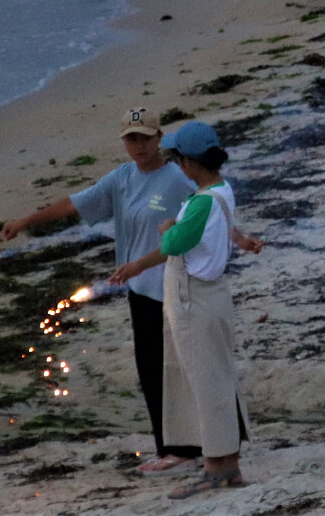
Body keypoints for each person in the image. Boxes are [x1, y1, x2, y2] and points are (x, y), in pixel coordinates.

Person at [0, 107, 202, 474]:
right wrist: (25, 221)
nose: (138, 145)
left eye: (144, 137)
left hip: (172, 285)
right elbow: (76, 203)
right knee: (151, 369)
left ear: (159, 138)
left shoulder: (177, 180)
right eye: (131, 138)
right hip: (139, 287)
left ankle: (183, 449)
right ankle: (173, 448)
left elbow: (203, 221)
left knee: (174, 367)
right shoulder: (122, 178)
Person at [110, 121, 258, 498]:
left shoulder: (201, 201)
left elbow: (177, 242)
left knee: (203, 384)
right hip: (212, 293)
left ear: (189, 163)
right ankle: (226, 465)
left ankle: (214, 467)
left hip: (194, 296)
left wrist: (166, 227)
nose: (175, 164)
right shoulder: (222, 190)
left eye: (177, 159)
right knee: (217, 379)